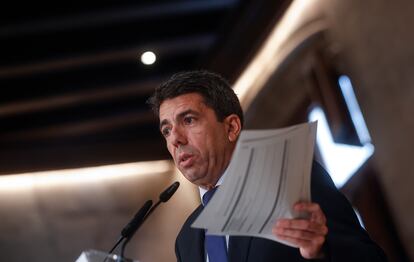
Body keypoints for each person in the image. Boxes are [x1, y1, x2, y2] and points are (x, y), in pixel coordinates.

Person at [147, 70, 386, 261]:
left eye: (188, 120)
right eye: (166, 130)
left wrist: (320, 254)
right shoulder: (187, 238)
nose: (175, 139)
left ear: (231, 127)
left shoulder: (290, 182)